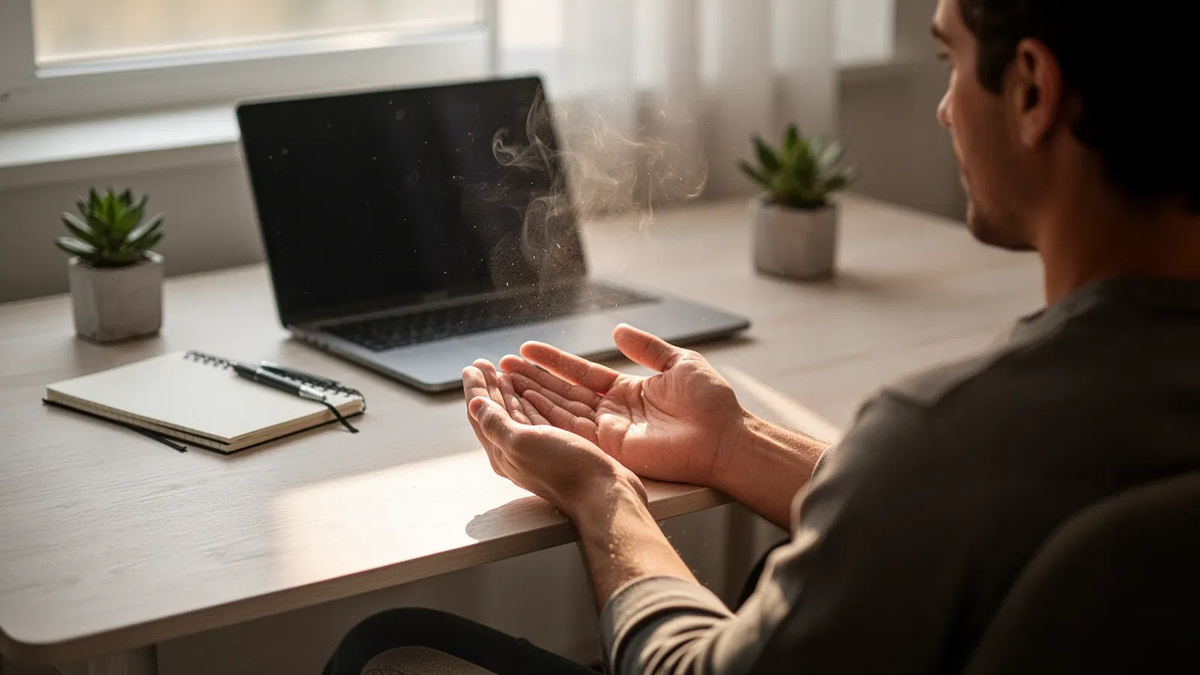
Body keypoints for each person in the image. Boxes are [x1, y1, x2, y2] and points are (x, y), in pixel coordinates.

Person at [324, 0, 1200, 673]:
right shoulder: (1020, 442)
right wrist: (733, 444)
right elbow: (973, 507)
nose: (940, 109)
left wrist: (603, 494)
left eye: (949, 61)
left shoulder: (948, 432)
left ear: (1034, 90)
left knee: (382, 642)